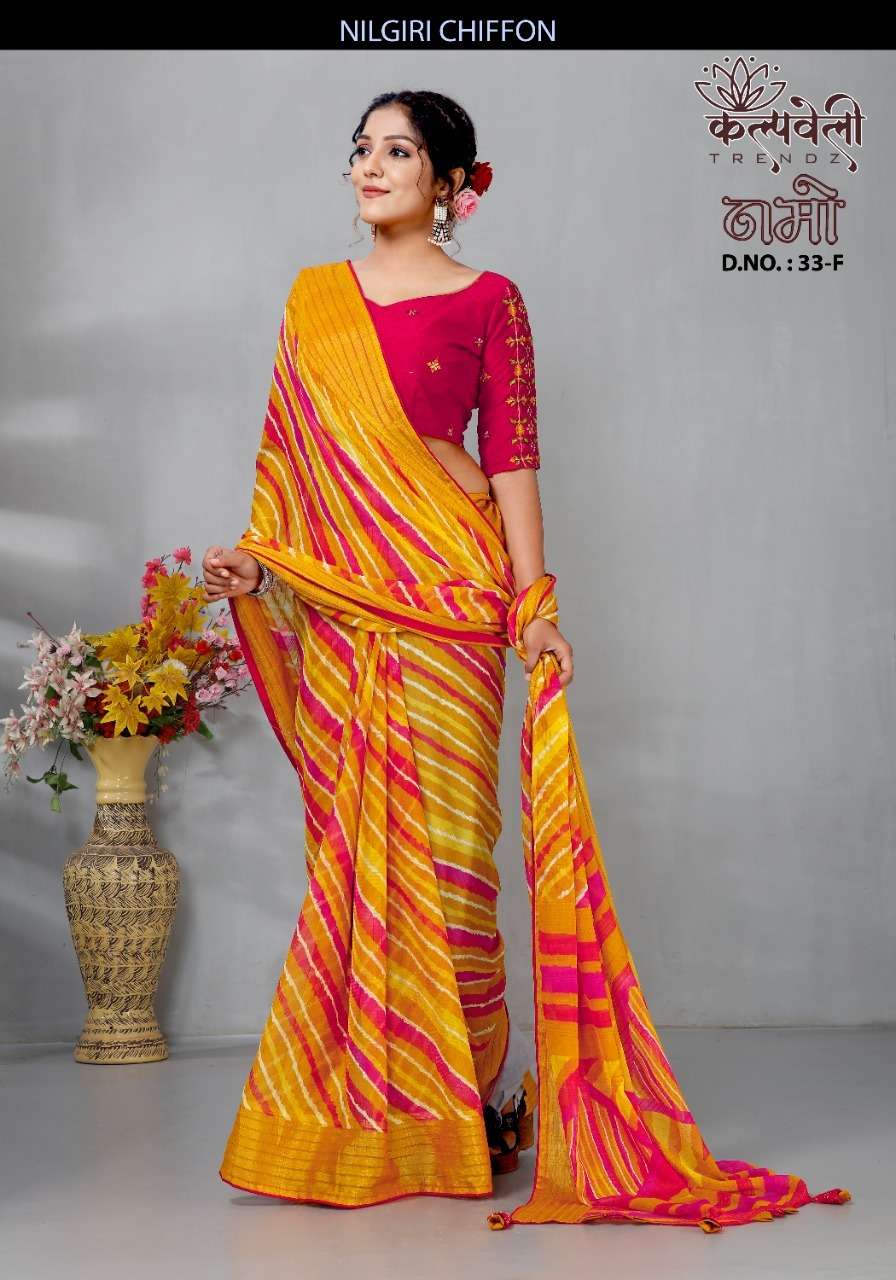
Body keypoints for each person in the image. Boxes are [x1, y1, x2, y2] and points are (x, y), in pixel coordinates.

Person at [203, 90, 850, 1231]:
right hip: (348, 609)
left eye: (398, 151)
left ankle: (476, 1095)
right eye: (360, 149)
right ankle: (378, 1118)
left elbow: (510, 457)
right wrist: (258, 565)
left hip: (452, 595)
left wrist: (533, 605)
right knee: (356, 859)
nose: (370, 166)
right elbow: (289, 472)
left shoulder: (490, 299)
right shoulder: (311, 302)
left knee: (454, 861)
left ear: (451, 181)